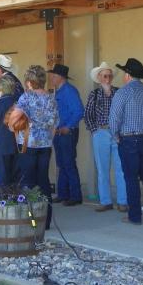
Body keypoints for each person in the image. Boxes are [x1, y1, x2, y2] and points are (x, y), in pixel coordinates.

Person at [109, 58, 143, 225]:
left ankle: (135, 216)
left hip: (128, 139)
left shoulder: (123, 92)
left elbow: (114, 118)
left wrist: (115, 135)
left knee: (131, 178)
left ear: (127, 75)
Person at [9, 65, 58, 228]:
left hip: (29, 145)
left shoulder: (26, 97)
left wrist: (11, 125)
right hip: (45, 145)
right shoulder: (51, 98)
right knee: (43, 182)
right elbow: (55, 124)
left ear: (30, 82)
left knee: (28, 183)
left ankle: (30, 221)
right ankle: (46, 221)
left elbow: (14, 118)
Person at [84, 62, 127, 213]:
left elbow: (125, 113)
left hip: (117, 133)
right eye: (104, 76)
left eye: (109, 76)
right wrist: (95, 131)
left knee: (121, 168)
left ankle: (123, 201)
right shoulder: (94, 94)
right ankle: (106, 201)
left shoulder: (119, 92)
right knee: (102, 169)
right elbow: (88, 115)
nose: (107, 79)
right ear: (99, 77)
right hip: (101, 133)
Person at [48, 64, 84, 206]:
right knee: (62, 164)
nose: (51, 77)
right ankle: (63, 194)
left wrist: (67, 127)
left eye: (54, 75)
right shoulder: (59, 91)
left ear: (60, 77)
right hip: (59, 132)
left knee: (68, 164)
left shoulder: (69, 91)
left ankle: (75, 196)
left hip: (66, 133)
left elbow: (79, 111)